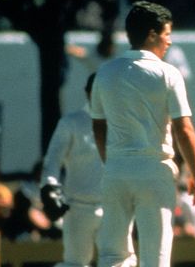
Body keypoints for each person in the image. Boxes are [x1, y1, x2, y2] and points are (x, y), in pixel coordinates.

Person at [91, 0, 195, 267]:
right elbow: (184, 130)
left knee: (112, 254)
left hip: (116, 170)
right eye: (166, 34)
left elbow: (98, 125)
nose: (169, 41)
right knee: (156, 257)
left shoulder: (105, 73)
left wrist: (111, 162)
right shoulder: (168, 74)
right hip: (155, 171)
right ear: (152, 34)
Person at [41, 72, 131, 266]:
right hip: (78, 208)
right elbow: (52, 160)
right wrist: (49, 187)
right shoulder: (71, 122)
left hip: (115, 207)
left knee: (118, 261)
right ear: (87, 93)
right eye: (95, 91)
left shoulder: (124, 123)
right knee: (74, 263)